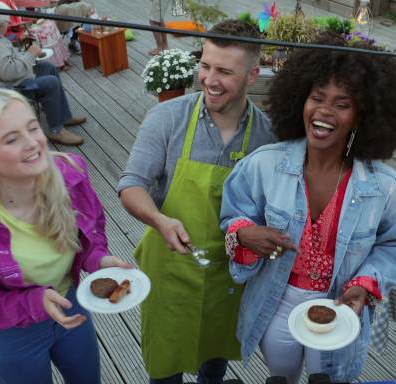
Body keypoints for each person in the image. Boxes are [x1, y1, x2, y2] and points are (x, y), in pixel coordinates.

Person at [219, 35, 396, 383]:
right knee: (281, 375)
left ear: (361, 116)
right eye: (317, 98)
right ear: (301, 101)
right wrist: (243, 233)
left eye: (342, 104)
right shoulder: (264, 165)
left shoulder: (384, 187)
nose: (325, 111)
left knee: (327, 378)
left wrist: (366, 283)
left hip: (341, 310)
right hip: (276, 301)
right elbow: (233, 214)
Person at [0, 89, 133, 384]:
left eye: (33, 127)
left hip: (72, 305)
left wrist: (99, 258)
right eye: (11, 139)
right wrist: (31, 304)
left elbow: (90, 232)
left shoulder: (71, 174)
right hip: (11, 334)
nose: (33, 142)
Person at [117, 20, 276, 384]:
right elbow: (132, 184)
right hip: (170, 269)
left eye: (224, 71)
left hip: (228, 274)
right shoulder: (168, 116)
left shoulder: (266, 136)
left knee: (215, 356)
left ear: (253, 75)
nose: (209, 79)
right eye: (205, 65)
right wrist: (160, 220)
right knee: (166, 364)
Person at [0, 1, 87, 146]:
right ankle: (57, 130)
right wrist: (30, 55)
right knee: (50, 83)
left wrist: (26, 54)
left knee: (48, 67)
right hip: (3, 88)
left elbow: (4, 59)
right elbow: (8, 72)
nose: (8, 26)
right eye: (7, 23)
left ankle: (62, 116)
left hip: (4, 78)